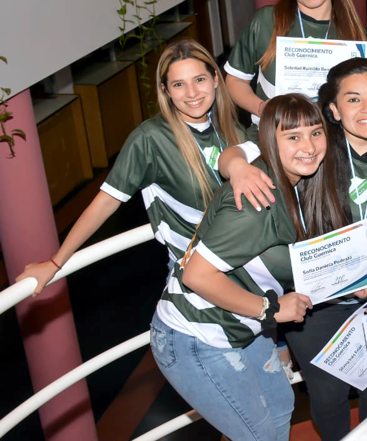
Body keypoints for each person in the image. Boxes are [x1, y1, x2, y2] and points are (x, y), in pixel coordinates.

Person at [220, 58, 367, 441]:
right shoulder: (313, 144)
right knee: (327, 395)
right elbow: (238, 152)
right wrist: (236, 168)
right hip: (313, 300)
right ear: (332, 109)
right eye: (352, 99)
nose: (366, 108)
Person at [151, 94, 345, 441]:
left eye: (315, 133)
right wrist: (270, 311)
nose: (308, 146)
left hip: (239, 327)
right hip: (195, 336)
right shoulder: (259, 201)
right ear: (271, 141)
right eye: (292, 136)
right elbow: (196, 276)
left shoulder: (289, 179)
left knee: (281, 407)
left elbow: (235, 152)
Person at [17, 39, 244, 293]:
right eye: (179, 84)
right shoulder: (150, 139)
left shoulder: (230, 129)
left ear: (215, 78)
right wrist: (55, 263)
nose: (192, 93)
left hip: (247, 266)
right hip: (198, 282)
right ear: (166, 90)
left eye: (199, 79)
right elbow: (105, 203)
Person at [224, 0, 367, 123]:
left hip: (333, 140)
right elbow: (235, 80)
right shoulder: (267, 22)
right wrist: (262, 108)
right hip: (273, 138)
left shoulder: (356, 35)